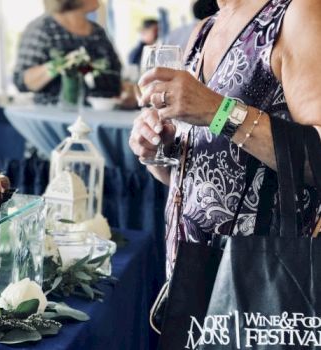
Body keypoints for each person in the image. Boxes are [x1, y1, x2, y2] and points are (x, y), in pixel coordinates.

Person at [129, 0, 321, 276]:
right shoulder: (204, 30)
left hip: (261, 281)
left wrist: (217, 111)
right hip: (191, 272)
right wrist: (160, 150)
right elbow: (202, 176)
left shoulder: (296, 13)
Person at [13, 0, 122, 105]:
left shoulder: (98, 32)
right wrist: (61, 64)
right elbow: (21, 81)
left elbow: (116, 73)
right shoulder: (42, 28)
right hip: (56, 116)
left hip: (103, 114)